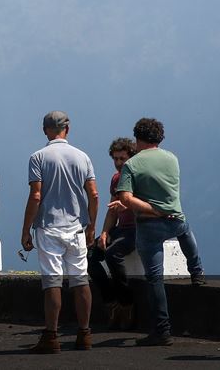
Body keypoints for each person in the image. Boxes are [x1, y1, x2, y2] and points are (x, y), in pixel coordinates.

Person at [110, 117, 206, 347]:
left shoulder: (132, 165)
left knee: (155, 279)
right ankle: (197, 271)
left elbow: (124, 197)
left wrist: (152, 210)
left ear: (137, 138)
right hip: (175, 218)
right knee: (185, 231)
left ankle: (162, 331)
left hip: (148, 225)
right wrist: (164, 210)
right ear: (159, 138)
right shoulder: (172, 158)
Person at [21, 111, 99, 354]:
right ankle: (84, 334)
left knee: (52, 281)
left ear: (45, 130)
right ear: (68, 128)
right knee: (80, 279)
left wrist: (26, 230)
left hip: (49, 227)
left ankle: (51, 336)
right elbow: (94, 194)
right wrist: (92, 226)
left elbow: (36, 195)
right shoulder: (82, 157)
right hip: (76, 228)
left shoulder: (38, 157)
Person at [87, 137, 139, 330]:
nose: (118, 163)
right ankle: (111, 303)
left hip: (136, 228)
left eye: (122, 159)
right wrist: (104, 233)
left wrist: (125, 204)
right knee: (90, 257)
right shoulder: (116, 179)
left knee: (112, 254)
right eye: (115, 159)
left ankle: (127, 304)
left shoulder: (138, 177)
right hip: (120, 228)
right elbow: (111, 210)